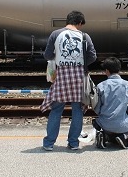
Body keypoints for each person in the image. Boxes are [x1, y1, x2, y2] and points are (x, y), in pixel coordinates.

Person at [40, 10, 97, 150]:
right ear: (79, 23)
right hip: (79, 77)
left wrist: (57, 57)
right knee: (77, 110)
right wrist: (82, 63)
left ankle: (49, 144)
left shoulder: (55, 34)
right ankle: (73, 143)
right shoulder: (84, 36)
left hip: (61, 75)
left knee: (56, 109)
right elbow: (93, 56)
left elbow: (47, 55)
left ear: (68, 21)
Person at [93, 57, 128, 149]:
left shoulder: (100, 86)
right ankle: (126, 137)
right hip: (122, 126)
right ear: (119, 69)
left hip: (104, 124)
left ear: (107, 71)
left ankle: (105, 136)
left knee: (100, 122)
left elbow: (97, 108)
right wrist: (125, 111)